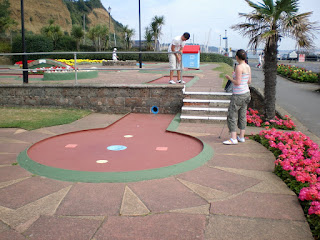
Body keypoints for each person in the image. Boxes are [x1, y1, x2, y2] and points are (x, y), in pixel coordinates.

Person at [223, 49, 251, 145]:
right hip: (246, 93)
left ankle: (233, 138)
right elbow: (249, 81)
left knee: (232, 115)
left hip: (238, 94)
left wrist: (230, 78)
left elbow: (237, 83)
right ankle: (241, 137)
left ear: (237, 57)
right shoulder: (247, 66)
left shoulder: (239, 67)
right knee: (242, 115)